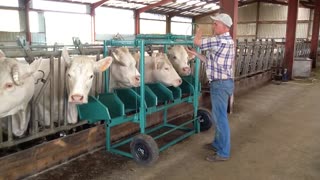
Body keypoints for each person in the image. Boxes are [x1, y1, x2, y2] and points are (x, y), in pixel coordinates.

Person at [186, 13, 235, 162]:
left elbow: (197, 41)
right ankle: (217, 143)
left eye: (216, 24)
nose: (214, 26)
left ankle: (223, 153)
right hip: (223, 83)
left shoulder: (219, 41)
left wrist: (199, 30)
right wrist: (195, 54)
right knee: (219, 116)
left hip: (219, 85)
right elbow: (210, 60)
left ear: (225, 27)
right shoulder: (228, 41)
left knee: (220, 119)